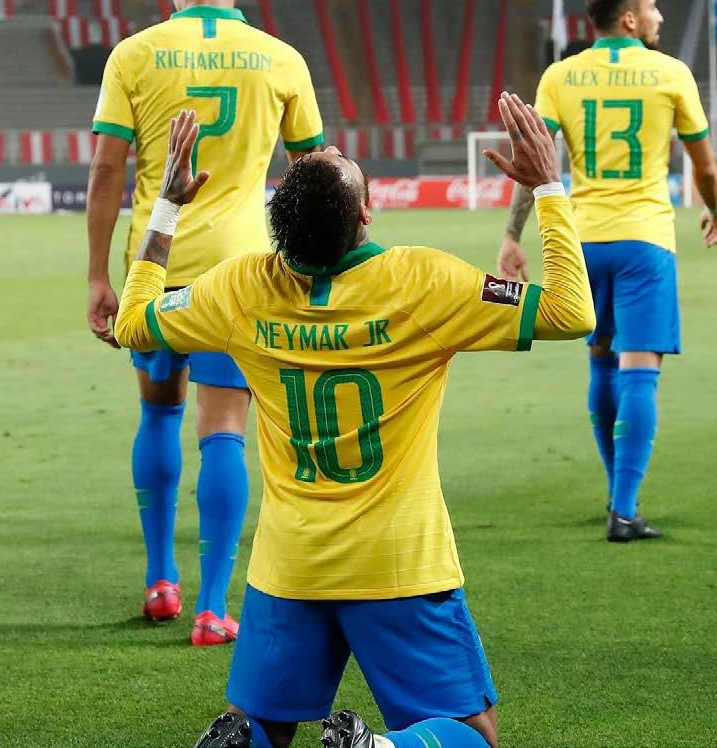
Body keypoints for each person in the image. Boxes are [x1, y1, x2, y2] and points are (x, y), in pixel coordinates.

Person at [114, 94, 594, 748]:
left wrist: (167, 206)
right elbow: (572, 312)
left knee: (263, 728)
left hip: (290, 565)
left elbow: (133, 323)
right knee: (474, 734)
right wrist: (548, 188)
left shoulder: (240, 289)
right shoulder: (424, 282)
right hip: (398, 563)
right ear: (366, 213)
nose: (331, 147)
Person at [86, 0, 324, 644]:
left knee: (158, 414)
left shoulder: (135, 53)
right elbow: (315, 173)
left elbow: (106, 171)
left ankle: (161, 582)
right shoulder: (281, 58)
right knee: (224, 428)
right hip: (241, 273)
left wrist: (98, 274)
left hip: (156, 267)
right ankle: (214, 608)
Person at [497, 0, 717, 542]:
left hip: (583, 241)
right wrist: (715, 208)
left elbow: (534, 162)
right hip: (645, 240)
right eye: (653, 8)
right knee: (640, 369)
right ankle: (624, 511)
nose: (659, 17)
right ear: (629, 18)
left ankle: (615, 490)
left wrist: (512, 235)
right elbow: (704, 164)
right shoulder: (671, 72)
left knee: (600, 362)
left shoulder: (560, 76)